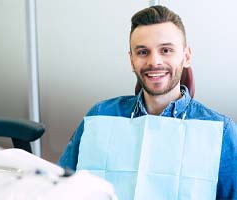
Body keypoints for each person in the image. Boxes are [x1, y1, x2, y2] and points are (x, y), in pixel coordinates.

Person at [58, 5, 237, 199]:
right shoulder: (99, 116)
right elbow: (60, 186)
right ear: (132, 60)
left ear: (186, 57)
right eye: (143, 52)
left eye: (166, 50)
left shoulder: (220, 130)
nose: (154, 62)